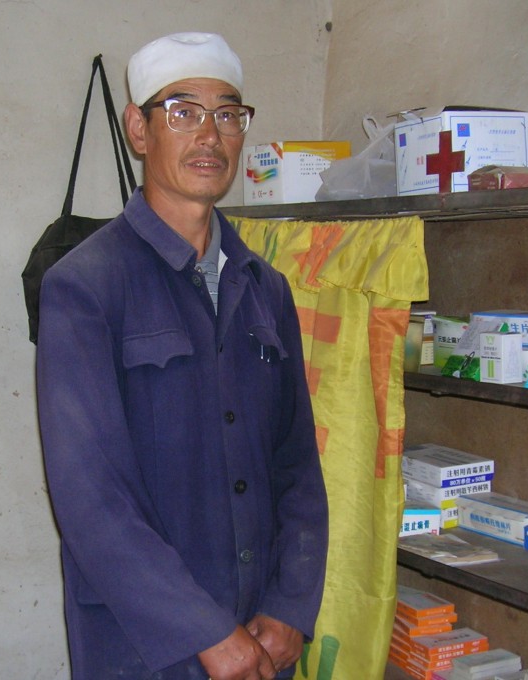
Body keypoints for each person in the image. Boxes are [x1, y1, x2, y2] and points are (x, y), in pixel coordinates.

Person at [36, 32, 328, 680]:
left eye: (228, 114)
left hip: (260, 638)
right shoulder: (84, 287)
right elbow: (91, 497)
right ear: (138, 129)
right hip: (142, 644)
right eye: (183, 111)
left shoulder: (265, 288)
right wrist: (205, 632)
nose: (210, 135)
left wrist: (290, 608)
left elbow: (298, 469)